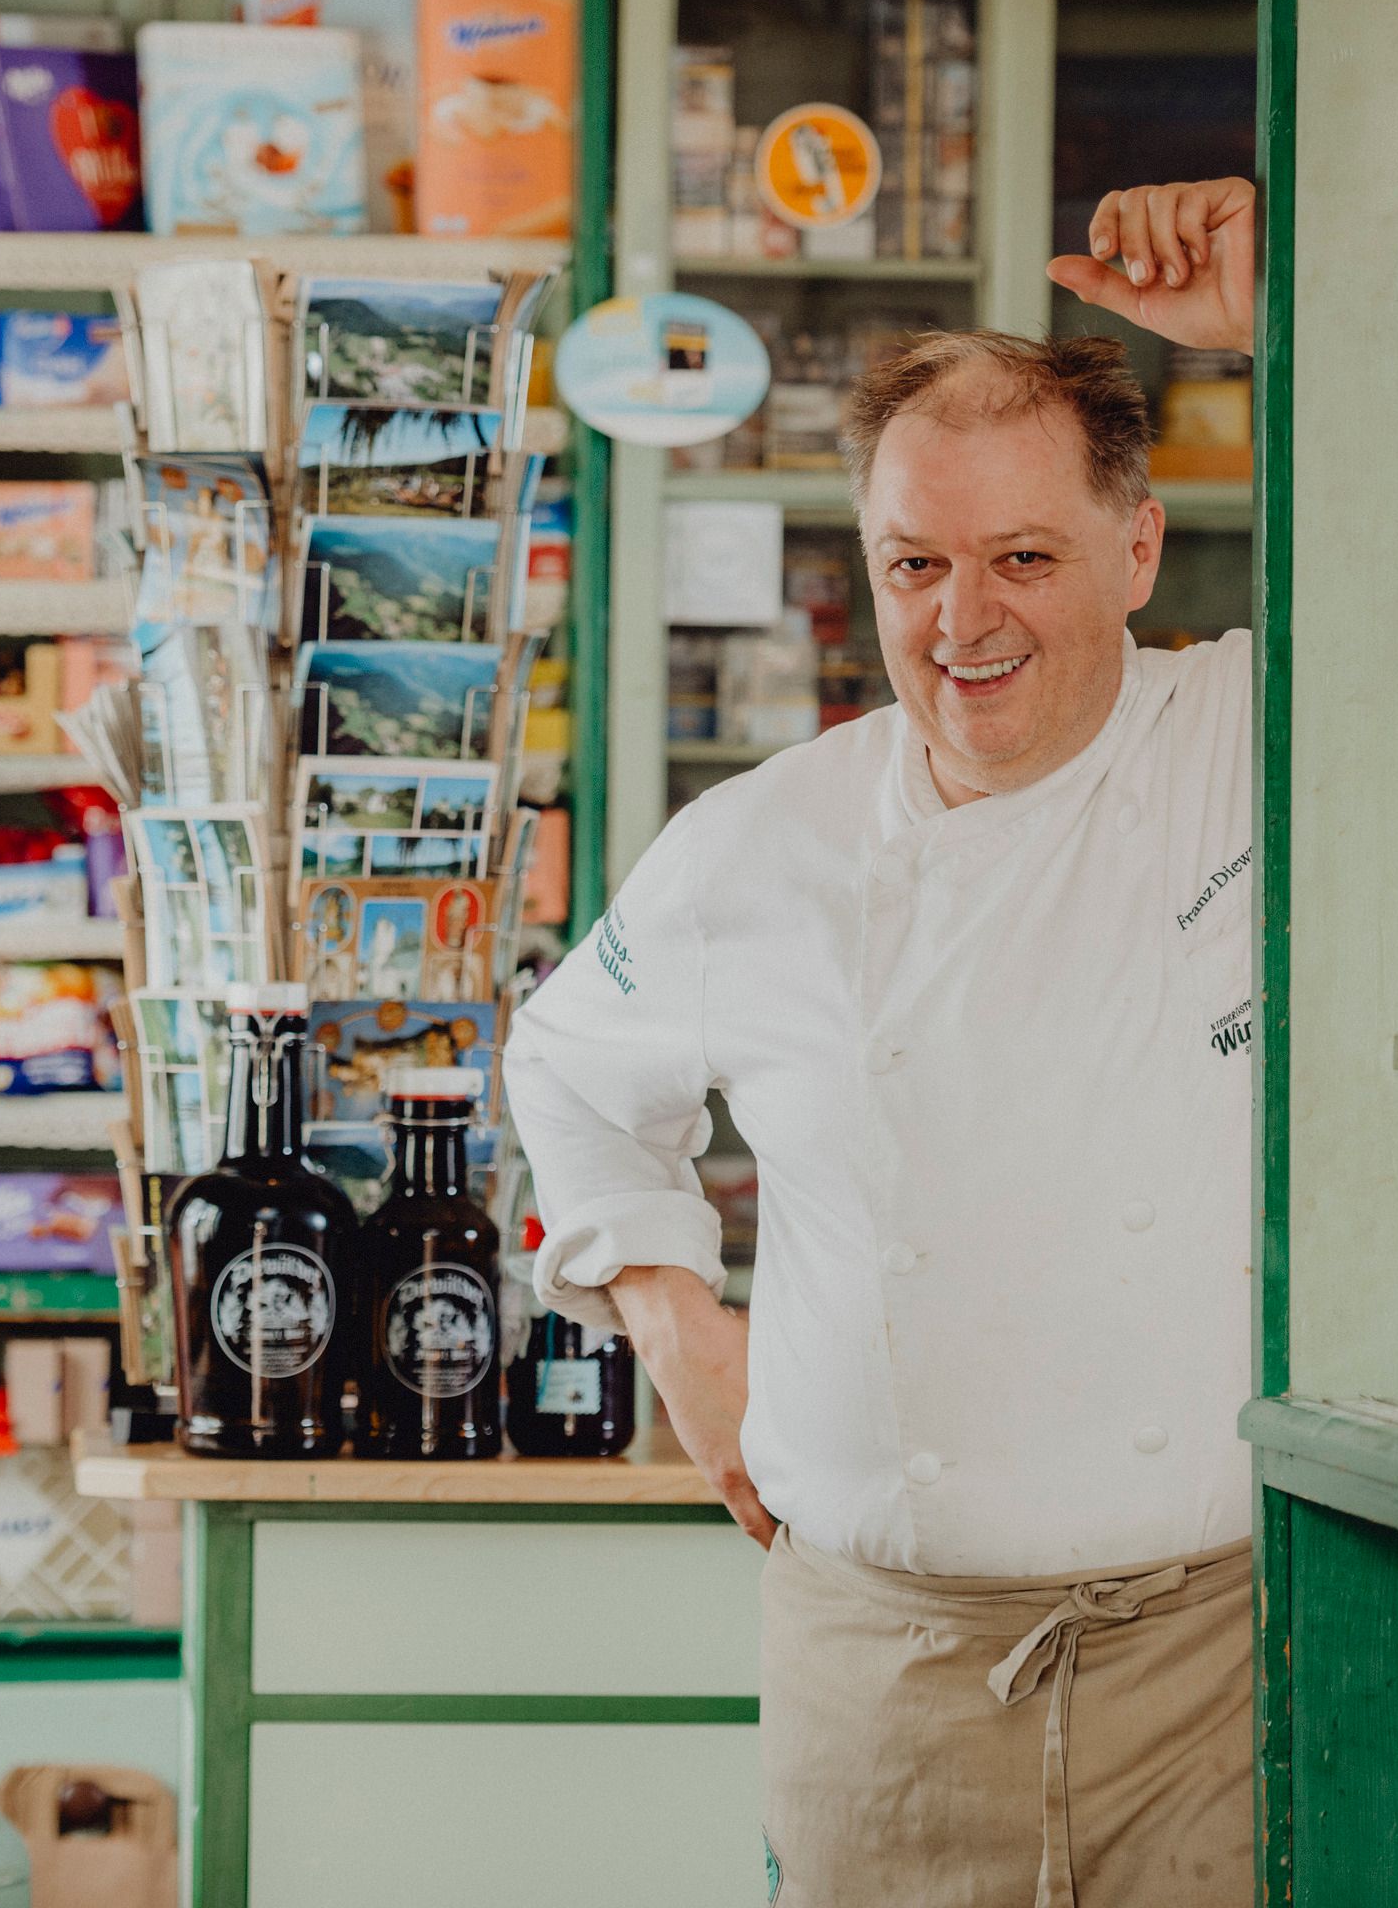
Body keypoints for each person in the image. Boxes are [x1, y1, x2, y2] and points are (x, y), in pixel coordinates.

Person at [503, 177, 1261, 1908]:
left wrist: (1271, 332)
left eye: (1023, 558)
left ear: (1137, 549)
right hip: (884, 1669)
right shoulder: (760, 843)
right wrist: (670, 1315)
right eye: (915, 563)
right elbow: (562, 1066)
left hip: (1216, 1657)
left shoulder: (1246, 732)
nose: (959, 621)